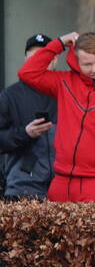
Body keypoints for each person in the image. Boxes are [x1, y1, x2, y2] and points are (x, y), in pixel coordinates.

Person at [18, 31, 95, 203]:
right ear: (76, 62)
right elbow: (27, 73)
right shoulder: (64, 83)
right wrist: (59, 43)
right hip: (61, 184)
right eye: (87, 64)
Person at [0, 35, 58, 200]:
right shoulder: (9, 96)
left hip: (64, 188)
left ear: (54, 60)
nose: (38, 62)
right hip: (22, 188)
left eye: (43, 57)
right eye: (33, 57)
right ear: (26, 59)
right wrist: (25, 133)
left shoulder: (67, 90)